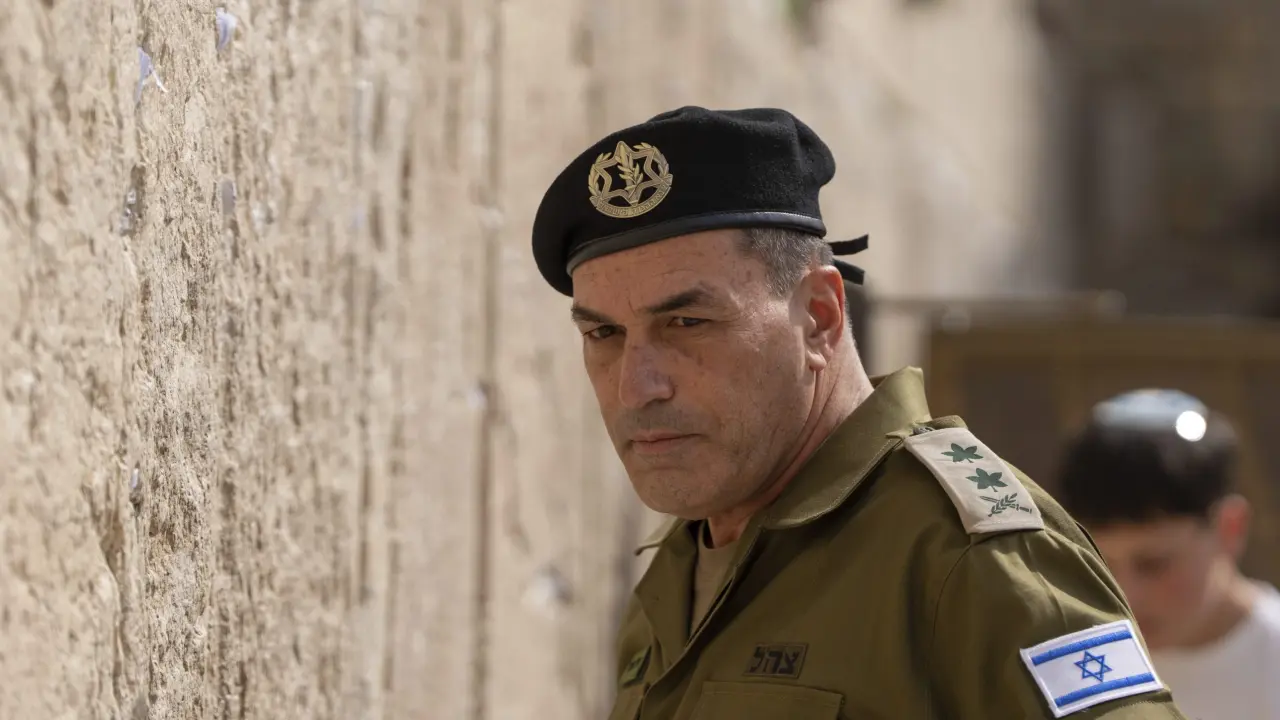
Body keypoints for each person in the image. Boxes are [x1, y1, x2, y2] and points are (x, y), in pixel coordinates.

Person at [530, 106, 1187, 719]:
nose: (636, 387)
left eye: (687, 322)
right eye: (603, 334)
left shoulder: (966, 558)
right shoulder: (681, 566)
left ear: (819, 317)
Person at [1057, 389, 1280, 719]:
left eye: (1153, 565)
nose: (1125, 594)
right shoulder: (1058, 664)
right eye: (1098, 564)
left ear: (1229, 528)